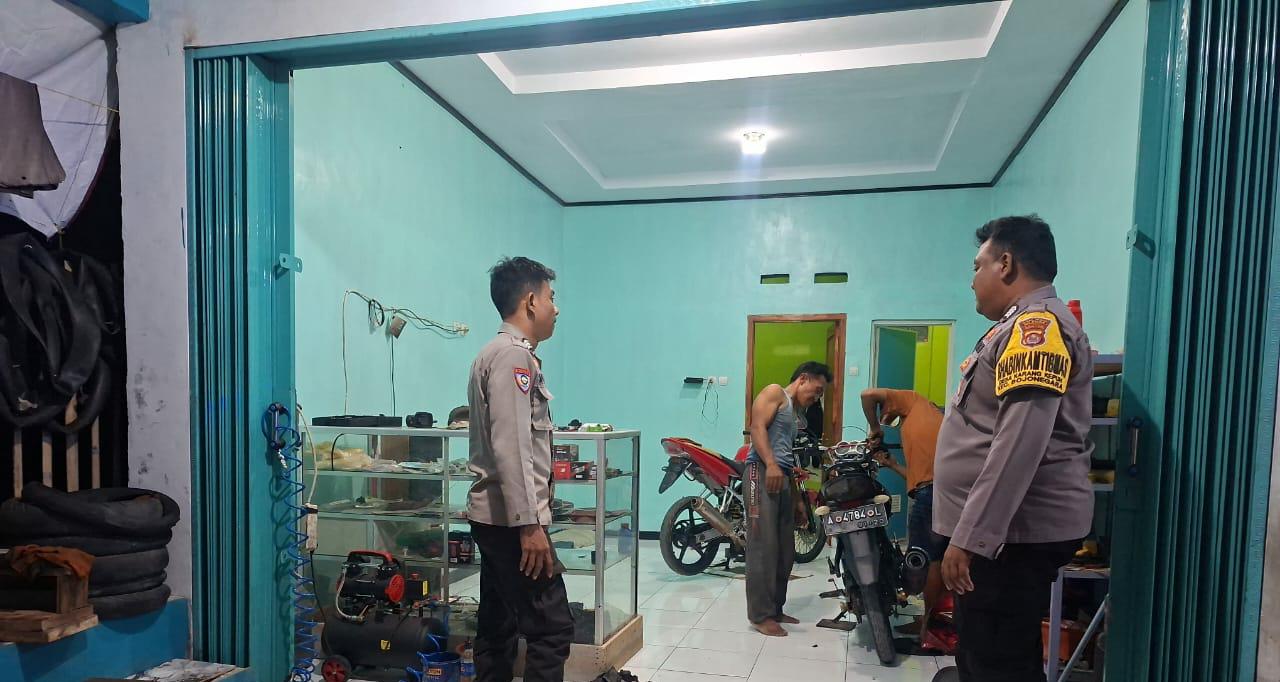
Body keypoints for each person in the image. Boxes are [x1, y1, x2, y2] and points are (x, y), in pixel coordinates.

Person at [933, 215, 1094, 681]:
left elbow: (1018, 445)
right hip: (1004, 537)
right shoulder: (1015, 327)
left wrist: (971, 539)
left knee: (996, 664)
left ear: (1005, 264)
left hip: (1009, 540)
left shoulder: (1035, 329)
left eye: (977, 266)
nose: (972, 280)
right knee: (987, 656)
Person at [467, 256, 573, 682]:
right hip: (513, 524)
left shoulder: (494, 353)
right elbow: (512, 447)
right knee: (552, 629)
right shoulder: (513, 357)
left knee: (499, 626)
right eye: (551, 298)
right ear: (530, 301)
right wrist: (530, 525)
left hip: (495, 518)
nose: (556, 308)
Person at [745, 361, 831, 637]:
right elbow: (757, 427)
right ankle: (760, 615)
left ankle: (775, 609)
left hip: (781, 476)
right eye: (817, 390)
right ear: (803, 378)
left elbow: (787, 456)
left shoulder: (795, 413)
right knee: (763, 546)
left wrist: (797, 501)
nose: (817, 397)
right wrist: (770, 463)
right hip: (760, 471)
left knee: (784, 549)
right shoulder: (775, 392)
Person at [860, 388, 945, 637]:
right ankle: (936, 622)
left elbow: (867, 395)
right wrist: (892, 464)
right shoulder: (925, 422)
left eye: (886, 414)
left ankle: (928, 626)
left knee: (926, 560)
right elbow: (919, 479)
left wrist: (875, 428)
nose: (887, 419)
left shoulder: (913, 400)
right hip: (937, 491)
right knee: (938, 559)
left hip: (931, 494)